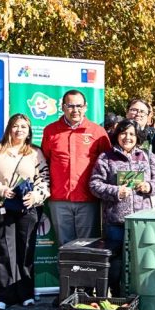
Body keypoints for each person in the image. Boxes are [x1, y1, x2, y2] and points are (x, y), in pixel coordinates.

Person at [0, 114, 50, 310]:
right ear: (9, 128)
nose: (19, 130)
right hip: (2, 205)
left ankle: (26, 293)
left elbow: (44, 179)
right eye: (15, 126)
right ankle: (3, 294)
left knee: (26, 251)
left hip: (28, 208)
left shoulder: (35, 153)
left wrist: (36, 196)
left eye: (23, 127)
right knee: (3, 251)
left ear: (29, 131)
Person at [90, 119, 155, 294]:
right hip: (116, 221)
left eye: (131, 134)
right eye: (123, 133)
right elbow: (94, 184)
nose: (127, 137)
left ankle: (139, 297)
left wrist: (150, 186)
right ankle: (117, 297)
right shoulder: (106, 157)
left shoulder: (147, 155)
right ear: (117, 135)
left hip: (142, 222)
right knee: (116, 264)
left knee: (142, 261)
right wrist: (115, 191)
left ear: (137, 137)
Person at [41, 89, 110, 246]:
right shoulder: (50, 131)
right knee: (64, 245)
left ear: (86, 107)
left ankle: (86, 271)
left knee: (88, 246)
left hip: (88, 199)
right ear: (63, 107)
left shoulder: (97, 132)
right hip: (59, 199)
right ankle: (66, 272)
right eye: (70, 106)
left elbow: (107, 163)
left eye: (79, 106)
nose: (75, 110)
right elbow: (45, 161)